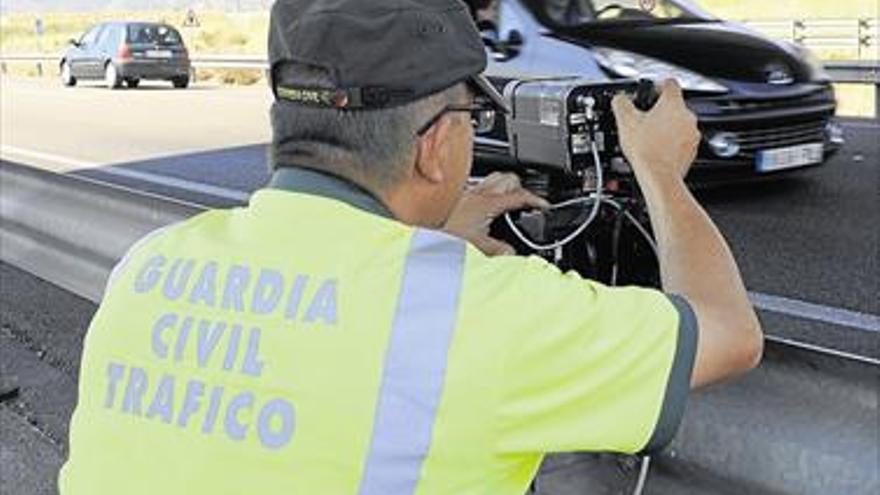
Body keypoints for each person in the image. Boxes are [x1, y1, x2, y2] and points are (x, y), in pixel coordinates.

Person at [60, 0, 763, 493]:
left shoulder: (148, 266)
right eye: (470, 112)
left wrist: (414, 239)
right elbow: (728, 333)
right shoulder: (475, 316)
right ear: (435, 147)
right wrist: (661, 170)